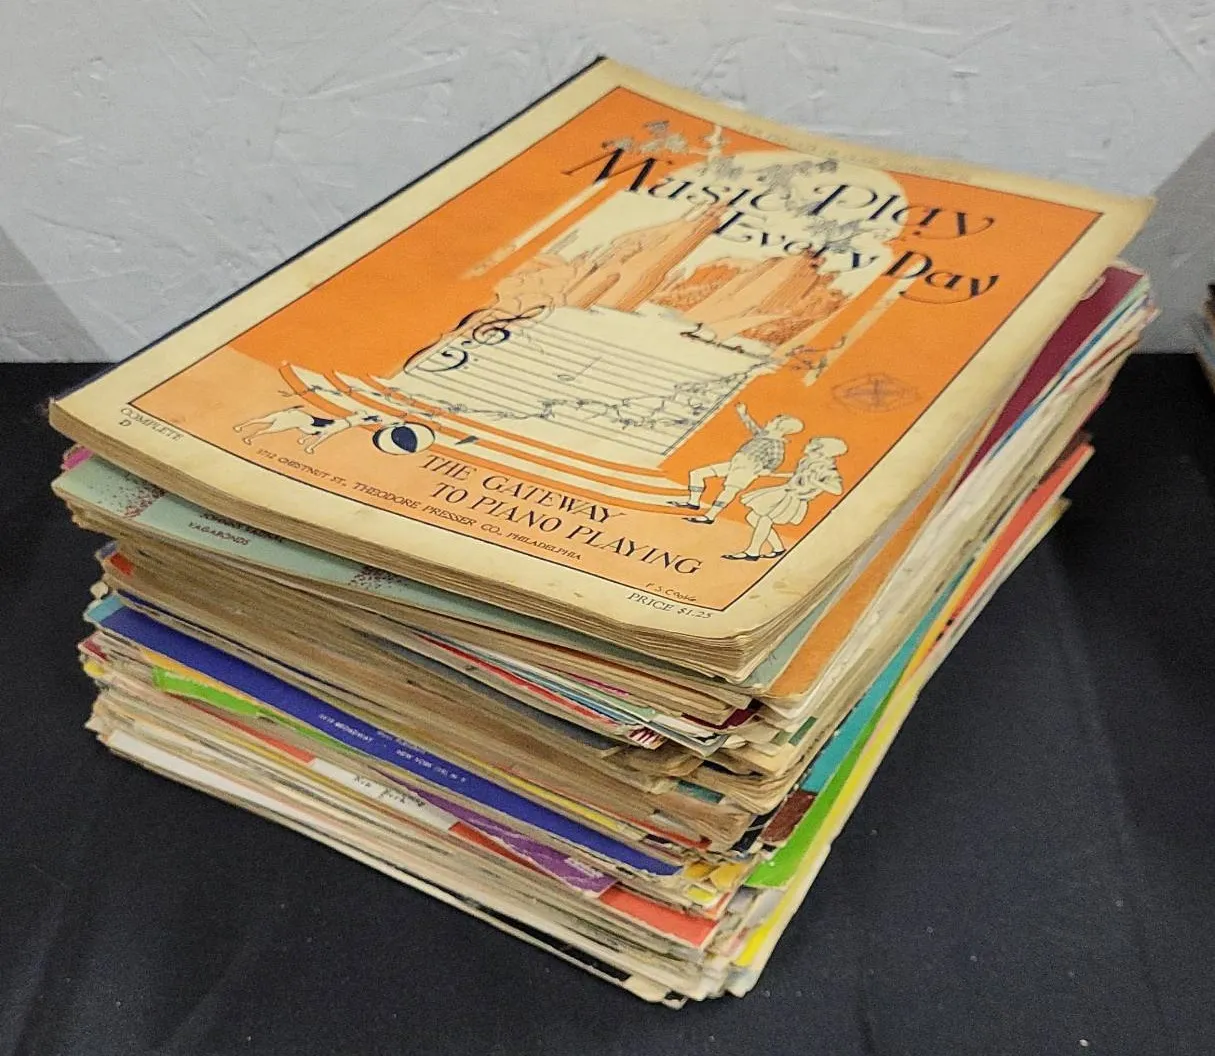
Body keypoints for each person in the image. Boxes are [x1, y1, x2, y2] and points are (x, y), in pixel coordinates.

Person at [674, 404, 803, 524]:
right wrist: (743, 414)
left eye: (773, 421)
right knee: (697, 473)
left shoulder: (777, 443)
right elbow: (752, 427)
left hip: (748, 468)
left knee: (729, 491)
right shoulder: (763, 435)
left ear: (780, 427)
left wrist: (767, 469)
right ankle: (693, 502)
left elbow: (777, 459)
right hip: (736, 462)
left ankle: (710, 516)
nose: (769, 422)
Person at [724, 436, 848, 560]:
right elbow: (796, 475)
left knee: (765, 519)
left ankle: (752, 552)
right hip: (785, 491)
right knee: (752, 517)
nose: (806, 446)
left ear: (819, 450)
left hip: (795, 498)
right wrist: (775, 475)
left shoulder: (826, 469)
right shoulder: (806, 460)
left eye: (811, 445)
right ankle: (778, 548)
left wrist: (815, 482)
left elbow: (837, 490)